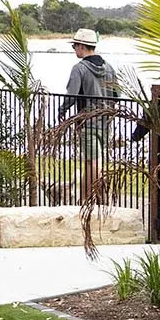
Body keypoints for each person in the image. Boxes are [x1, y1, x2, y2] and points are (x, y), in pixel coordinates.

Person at [63, 29, 123, 201]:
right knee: (92, 160)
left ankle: (98, 196)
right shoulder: (109, 67)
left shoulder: (79, 69)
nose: (74, 49)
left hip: (87, 121)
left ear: (82, 46)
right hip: (105, 121)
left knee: (93, 161)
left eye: (75, 46)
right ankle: (86, 198)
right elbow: (116, 95)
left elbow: (71, 95)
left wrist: (62, 110)